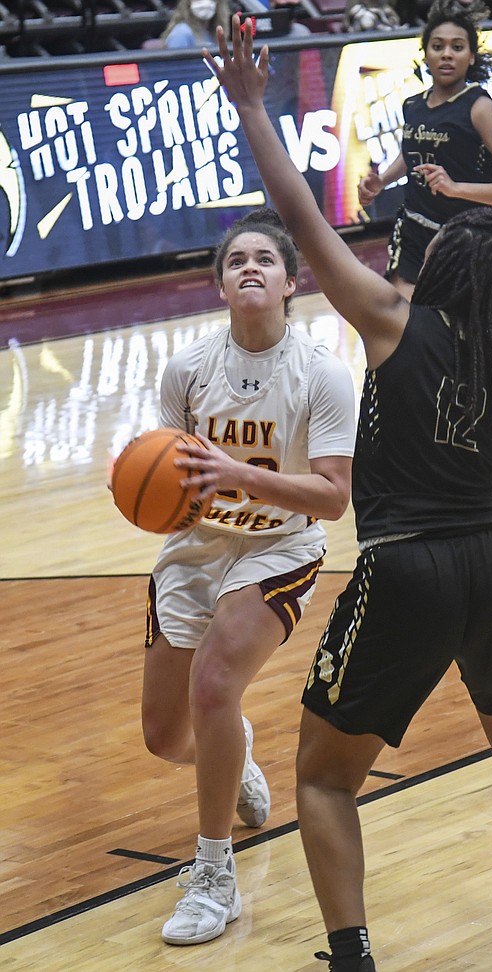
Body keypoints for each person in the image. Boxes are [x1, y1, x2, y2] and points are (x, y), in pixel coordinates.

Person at [206, 16, 492, 971]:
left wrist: (251, 109)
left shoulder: (393, 317)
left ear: (447, 263)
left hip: (405, 569)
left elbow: (302, 217)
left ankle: (352, 954)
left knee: (323, 779)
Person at [140, 207, 356, 945]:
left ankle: (213, 874)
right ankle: (235, 753)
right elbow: (169, 481)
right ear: (221, 286)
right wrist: (163, 504)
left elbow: (332, 496)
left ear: (291, 282)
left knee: (214, 685)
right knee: (166, 737)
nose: (251, 268)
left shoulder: (322, 372)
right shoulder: (188, 370)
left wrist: (237, 474)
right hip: (198, 551)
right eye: (237, 262)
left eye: (265, 259)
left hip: (280, 550)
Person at [356, 0, 492, 299]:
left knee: (446, 334)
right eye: (438, 46)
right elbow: (412, 149)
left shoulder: (479, 108)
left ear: (472, 56)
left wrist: (455, 188)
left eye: (457, 46)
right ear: (426, 55)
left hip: (464, 236)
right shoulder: (413, 104)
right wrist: (382, 180)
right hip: (413, 230)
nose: (447, 54)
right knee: (405, 323)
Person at [161, 0, 231, 48]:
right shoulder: (182, 32)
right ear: (188, 3)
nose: (205, 3)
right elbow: (176, 67)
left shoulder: (212, 32)